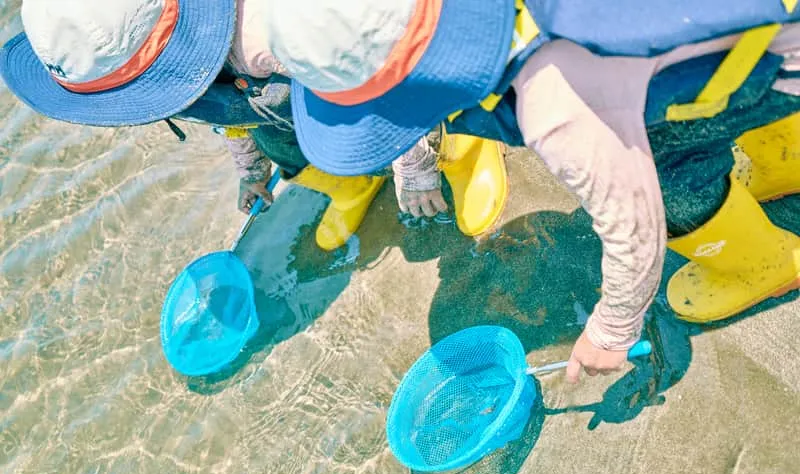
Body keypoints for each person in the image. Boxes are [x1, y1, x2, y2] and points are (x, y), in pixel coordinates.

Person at [262, 0, 800, 380]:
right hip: (749, 23)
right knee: (724, 92)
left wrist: (612, 330)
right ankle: (785, 162)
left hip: (777, 58)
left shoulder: (555, 100)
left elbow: (635, 224)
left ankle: (764, 266)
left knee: (674, 181)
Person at [0, 0, 510, 253]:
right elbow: (226, 124)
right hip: (274, 117)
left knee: (387, 118)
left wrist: (413, 162)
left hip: (348, 79)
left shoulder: (271, 30)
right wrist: (250, 169)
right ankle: (350, 184)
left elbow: (385, 74)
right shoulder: (154, 63)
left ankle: (465, 155)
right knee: (292, 153)